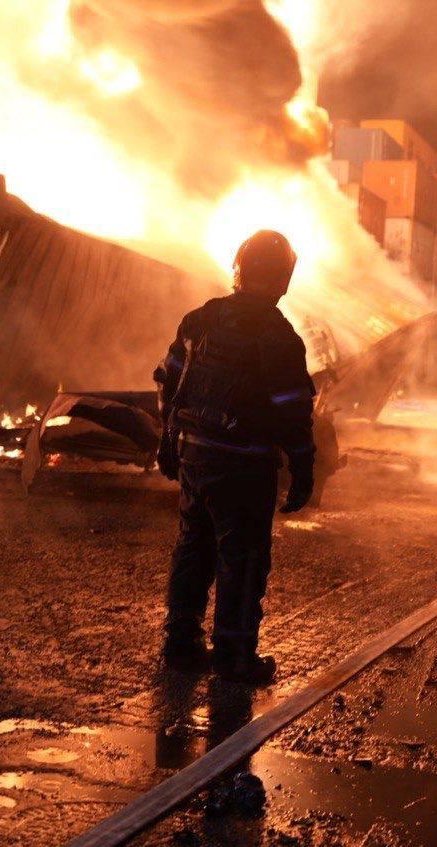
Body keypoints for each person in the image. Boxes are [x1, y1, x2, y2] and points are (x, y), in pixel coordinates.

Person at [153, 230, 315, 685]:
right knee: (242, 559)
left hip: (195, 456)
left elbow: (171, 383)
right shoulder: (278, 336)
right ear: (284, 279)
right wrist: (304, 469)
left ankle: (180, 644)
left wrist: (168, 440)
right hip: (244, 465)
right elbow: (293, 412)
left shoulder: (201, 319)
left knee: (193, 548)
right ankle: (234, 656)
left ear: (239, 269)